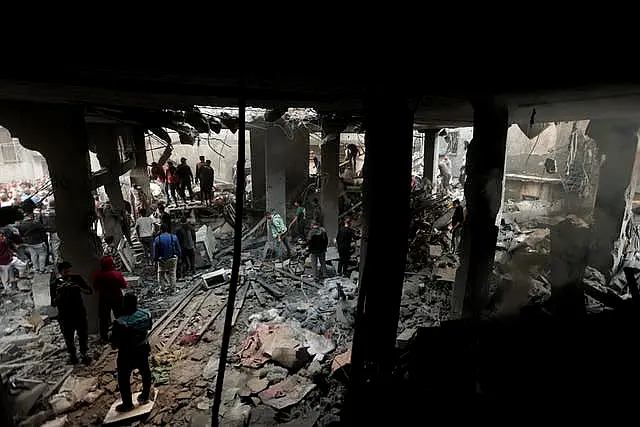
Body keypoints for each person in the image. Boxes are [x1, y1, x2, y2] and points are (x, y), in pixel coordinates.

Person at [111, 293, 153, 413]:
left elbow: (114, 345)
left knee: (123, 378)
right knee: (145, 372)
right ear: (136, 302)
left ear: (123, 304)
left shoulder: (120, 322)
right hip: (143, 348)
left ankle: (128, 404)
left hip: (126, 353)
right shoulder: (146, 314)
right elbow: (149, 327)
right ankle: (144, 396)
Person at [50, 261, 92, 365]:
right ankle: (73, 355)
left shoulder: (77, 279)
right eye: (65, 272)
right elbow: (53, 303)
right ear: (60, 272)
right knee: (68, 337)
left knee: (83, 334)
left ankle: (84, 353)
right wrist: (60, 293)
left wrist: (78, 287)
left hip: (79, 312)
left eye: (69, 271)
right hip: (65, 315)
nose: (68, 274)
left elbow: (89, 291)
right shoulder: (55, 284)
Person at [93, 256, 127, 342]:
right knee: (120, 316)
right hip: (117, 297)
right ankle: (122, 334)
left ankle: (104, 337)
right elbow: (124, 285)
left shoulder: (98, 275)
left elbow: (95, 287)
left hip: (104, 298)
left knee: (103, 318)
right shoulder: (116, 274)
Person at [153, 223, 182, 292]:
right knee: (172, 273)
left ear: (160, 230)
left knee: (161, 274)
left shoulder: (157, 239)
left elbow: (156, 253)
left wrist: (155, 261)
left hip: (162, 259)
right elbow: (178, 249)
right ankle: (173, 289)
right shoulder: (173, 237)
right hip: (172, 258)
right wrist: (180, 257)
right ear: (167, 229)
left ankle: (162, 288)